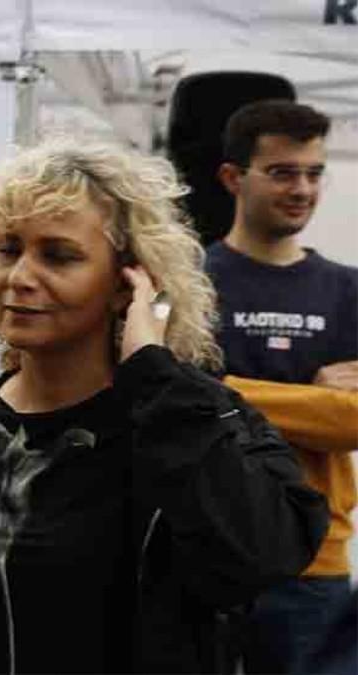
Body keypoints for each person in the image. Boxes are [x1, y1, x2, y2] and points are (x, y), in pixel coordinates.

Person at [0, 137, 328, 674]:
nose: (20, 276)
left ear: (126, 284)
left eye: (58, 256)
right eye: (7, 249)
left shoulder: (192, 416)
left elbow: (259, 554)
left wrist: (155, 374)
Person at [210, 99, 358, 674]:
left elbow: (350, 421)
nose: (302, 188)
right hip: (208, 551)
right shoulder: (192, 281)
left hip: (313, 563)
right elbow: (167, 404)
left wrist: (219, 388)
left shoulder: (347, 291)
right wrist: (313, 400)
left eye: (314, 173)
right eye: (282, 172)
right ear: (232, 177)